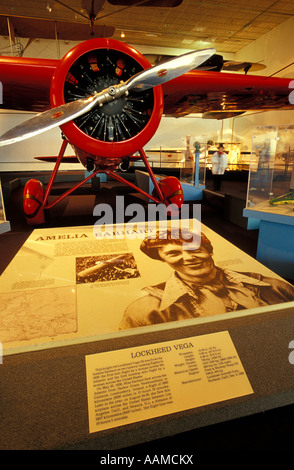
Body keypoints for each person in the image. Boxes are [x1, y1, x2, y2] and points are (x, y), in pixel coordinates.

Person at [119, 229, 294, 329]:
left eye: (194, 249)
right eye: (173, 253)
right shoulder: (145, 310)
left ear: (209, 250)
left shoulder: (274, 286)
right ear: (163, 260)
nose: (188, 258)